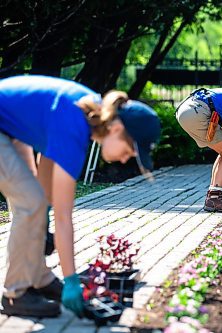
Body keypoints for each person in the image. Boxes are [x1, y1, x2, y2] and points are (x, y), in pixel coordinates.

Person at [0, 75, 161, 317]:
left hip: (9, 127)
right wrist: (71, 278)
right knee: (30, 202)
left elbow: (47, 164)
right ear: (116, 129)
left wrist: (40, 224)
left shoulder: (85, 115)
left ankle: (39, 279)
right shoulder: (74, 126)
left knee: (35, 202)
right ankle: (16, 294)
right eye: (129, 151)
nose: (126, 159)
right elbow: (64, 218)